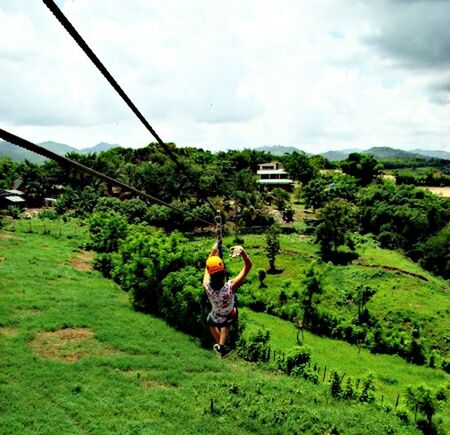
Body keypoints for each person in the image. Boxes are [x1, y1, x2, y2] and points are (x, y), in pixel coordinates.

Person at [203, 242, 252, 358]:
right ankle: (221, 346)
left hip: (217, 315)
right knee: (226, 319)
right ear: (223, 271)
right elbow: (248, 266)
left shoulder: (207, 287)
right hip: (231, 314)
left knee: (210, 322)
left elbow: (207, 269)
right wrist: (242, 252)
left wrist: (213, 251)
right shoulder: (231, 287)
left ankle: (221, 346)